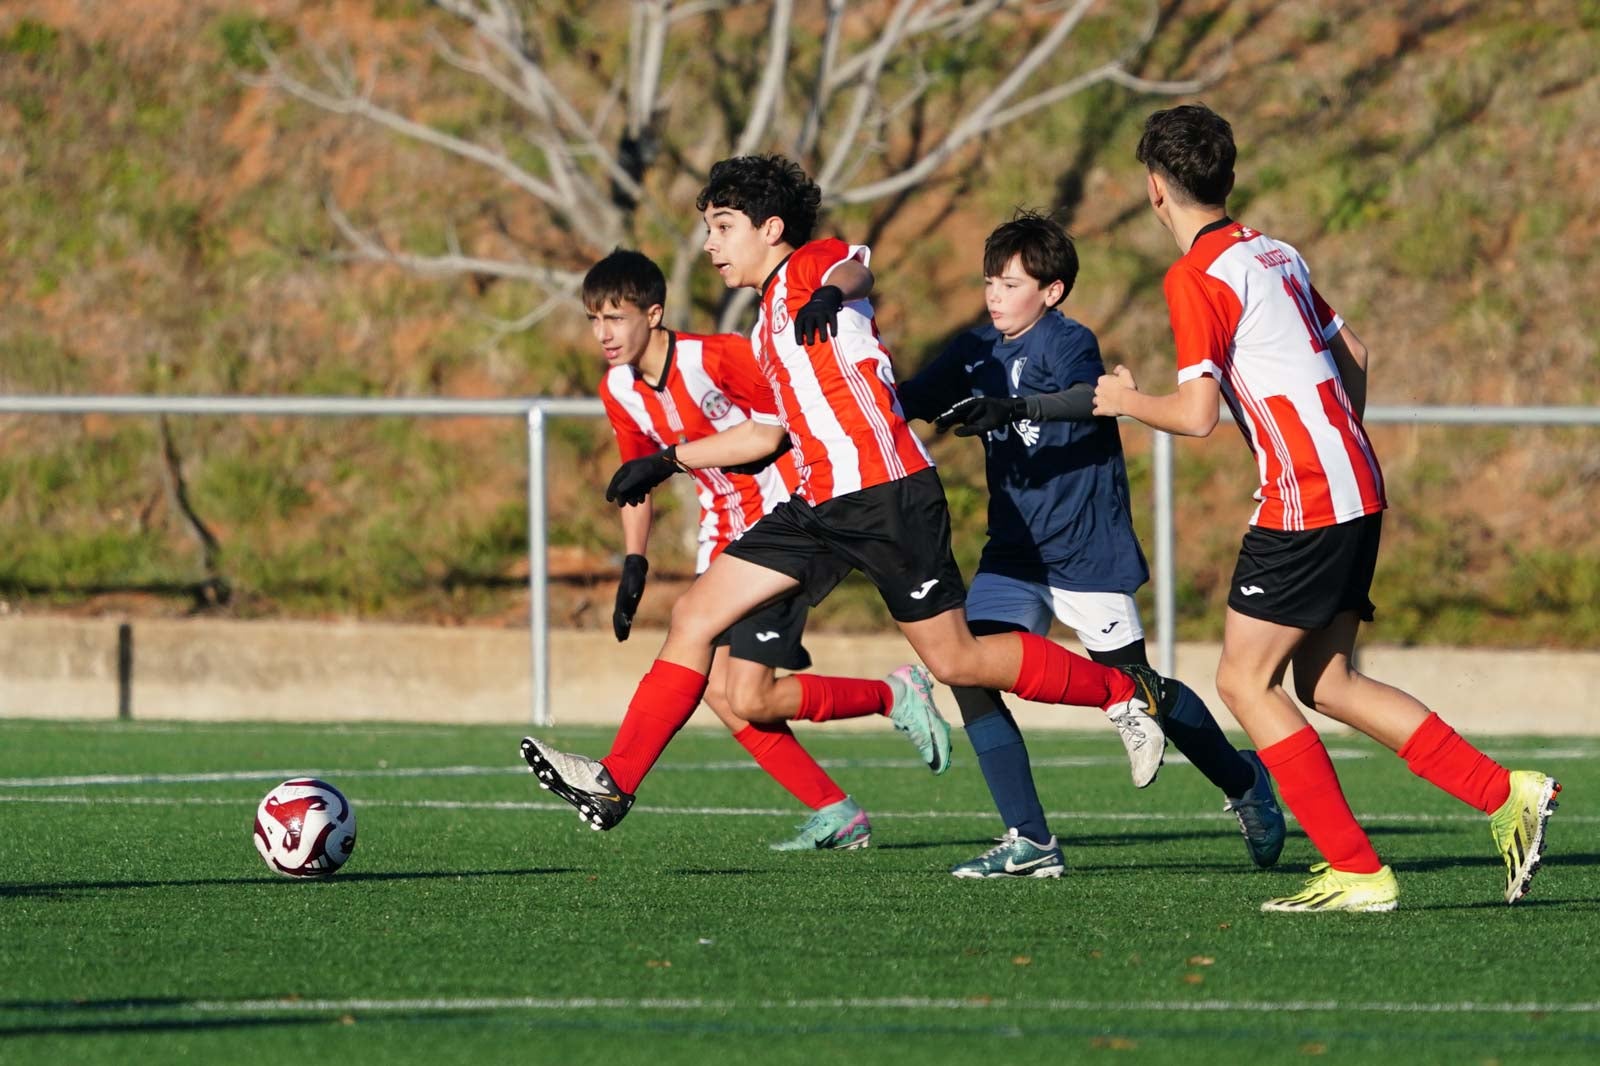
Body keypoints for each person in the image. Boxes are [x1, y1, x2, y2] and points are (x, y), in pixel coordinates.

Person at [519, 154, 1184, 842]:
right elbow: (768, 434)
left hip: (887, 493)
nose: (710, 244)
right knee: (693, 614)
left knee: (955, 660)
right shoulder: (762, 323)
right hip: (818, 502)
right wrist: (665, 462)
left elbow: (853, 269)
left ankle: (1123, 692)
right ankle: (615, 782)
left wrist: (833, 295)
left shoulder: (808, 270)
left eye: (722, 226)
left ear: (771, 228)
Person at [1093, 103, 1560, 912]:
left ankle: (1355, 867)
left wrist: (1127, 401)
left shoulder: (1194, 275)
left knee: (1243, 680)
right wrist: (1336, 441)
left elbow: (1198, 414)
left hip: (1306, 496)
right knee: (1329, 682)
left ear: (1154, 190)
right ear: (1227, 178)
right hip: (1356, 481)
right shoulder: (1275, 251)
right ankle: (1503, 793)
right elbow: (1359, 357)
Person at [897, 211, 1285, 878]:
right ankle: (1030, 839)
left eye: (1011, 283)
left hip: (1085, 551)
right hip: (1014, 553)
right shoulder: (973, 350)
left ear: (1051, 292)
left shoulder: (1068, 341)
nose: (995, 294)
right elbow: (901, 400)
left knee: (1142, 689)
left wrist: (1012, 411)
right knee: (968, 669)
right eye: (990, 280)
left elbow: (1091, 397)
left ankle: (1243, 782)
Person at [582, 247, 948, 851]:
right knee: (729, 701)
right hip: (718, 537)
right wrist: (634, 562)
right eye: (593, 320)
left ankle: (893, 695)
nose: (603, 333)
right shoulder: (617, 390)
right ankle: (838, 809)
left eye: (614, 318)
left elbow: (780, 425)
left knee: (747, 692)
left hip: (783, 525)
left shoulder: (717, 355)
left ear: (653, 313)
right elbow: (635, 479)